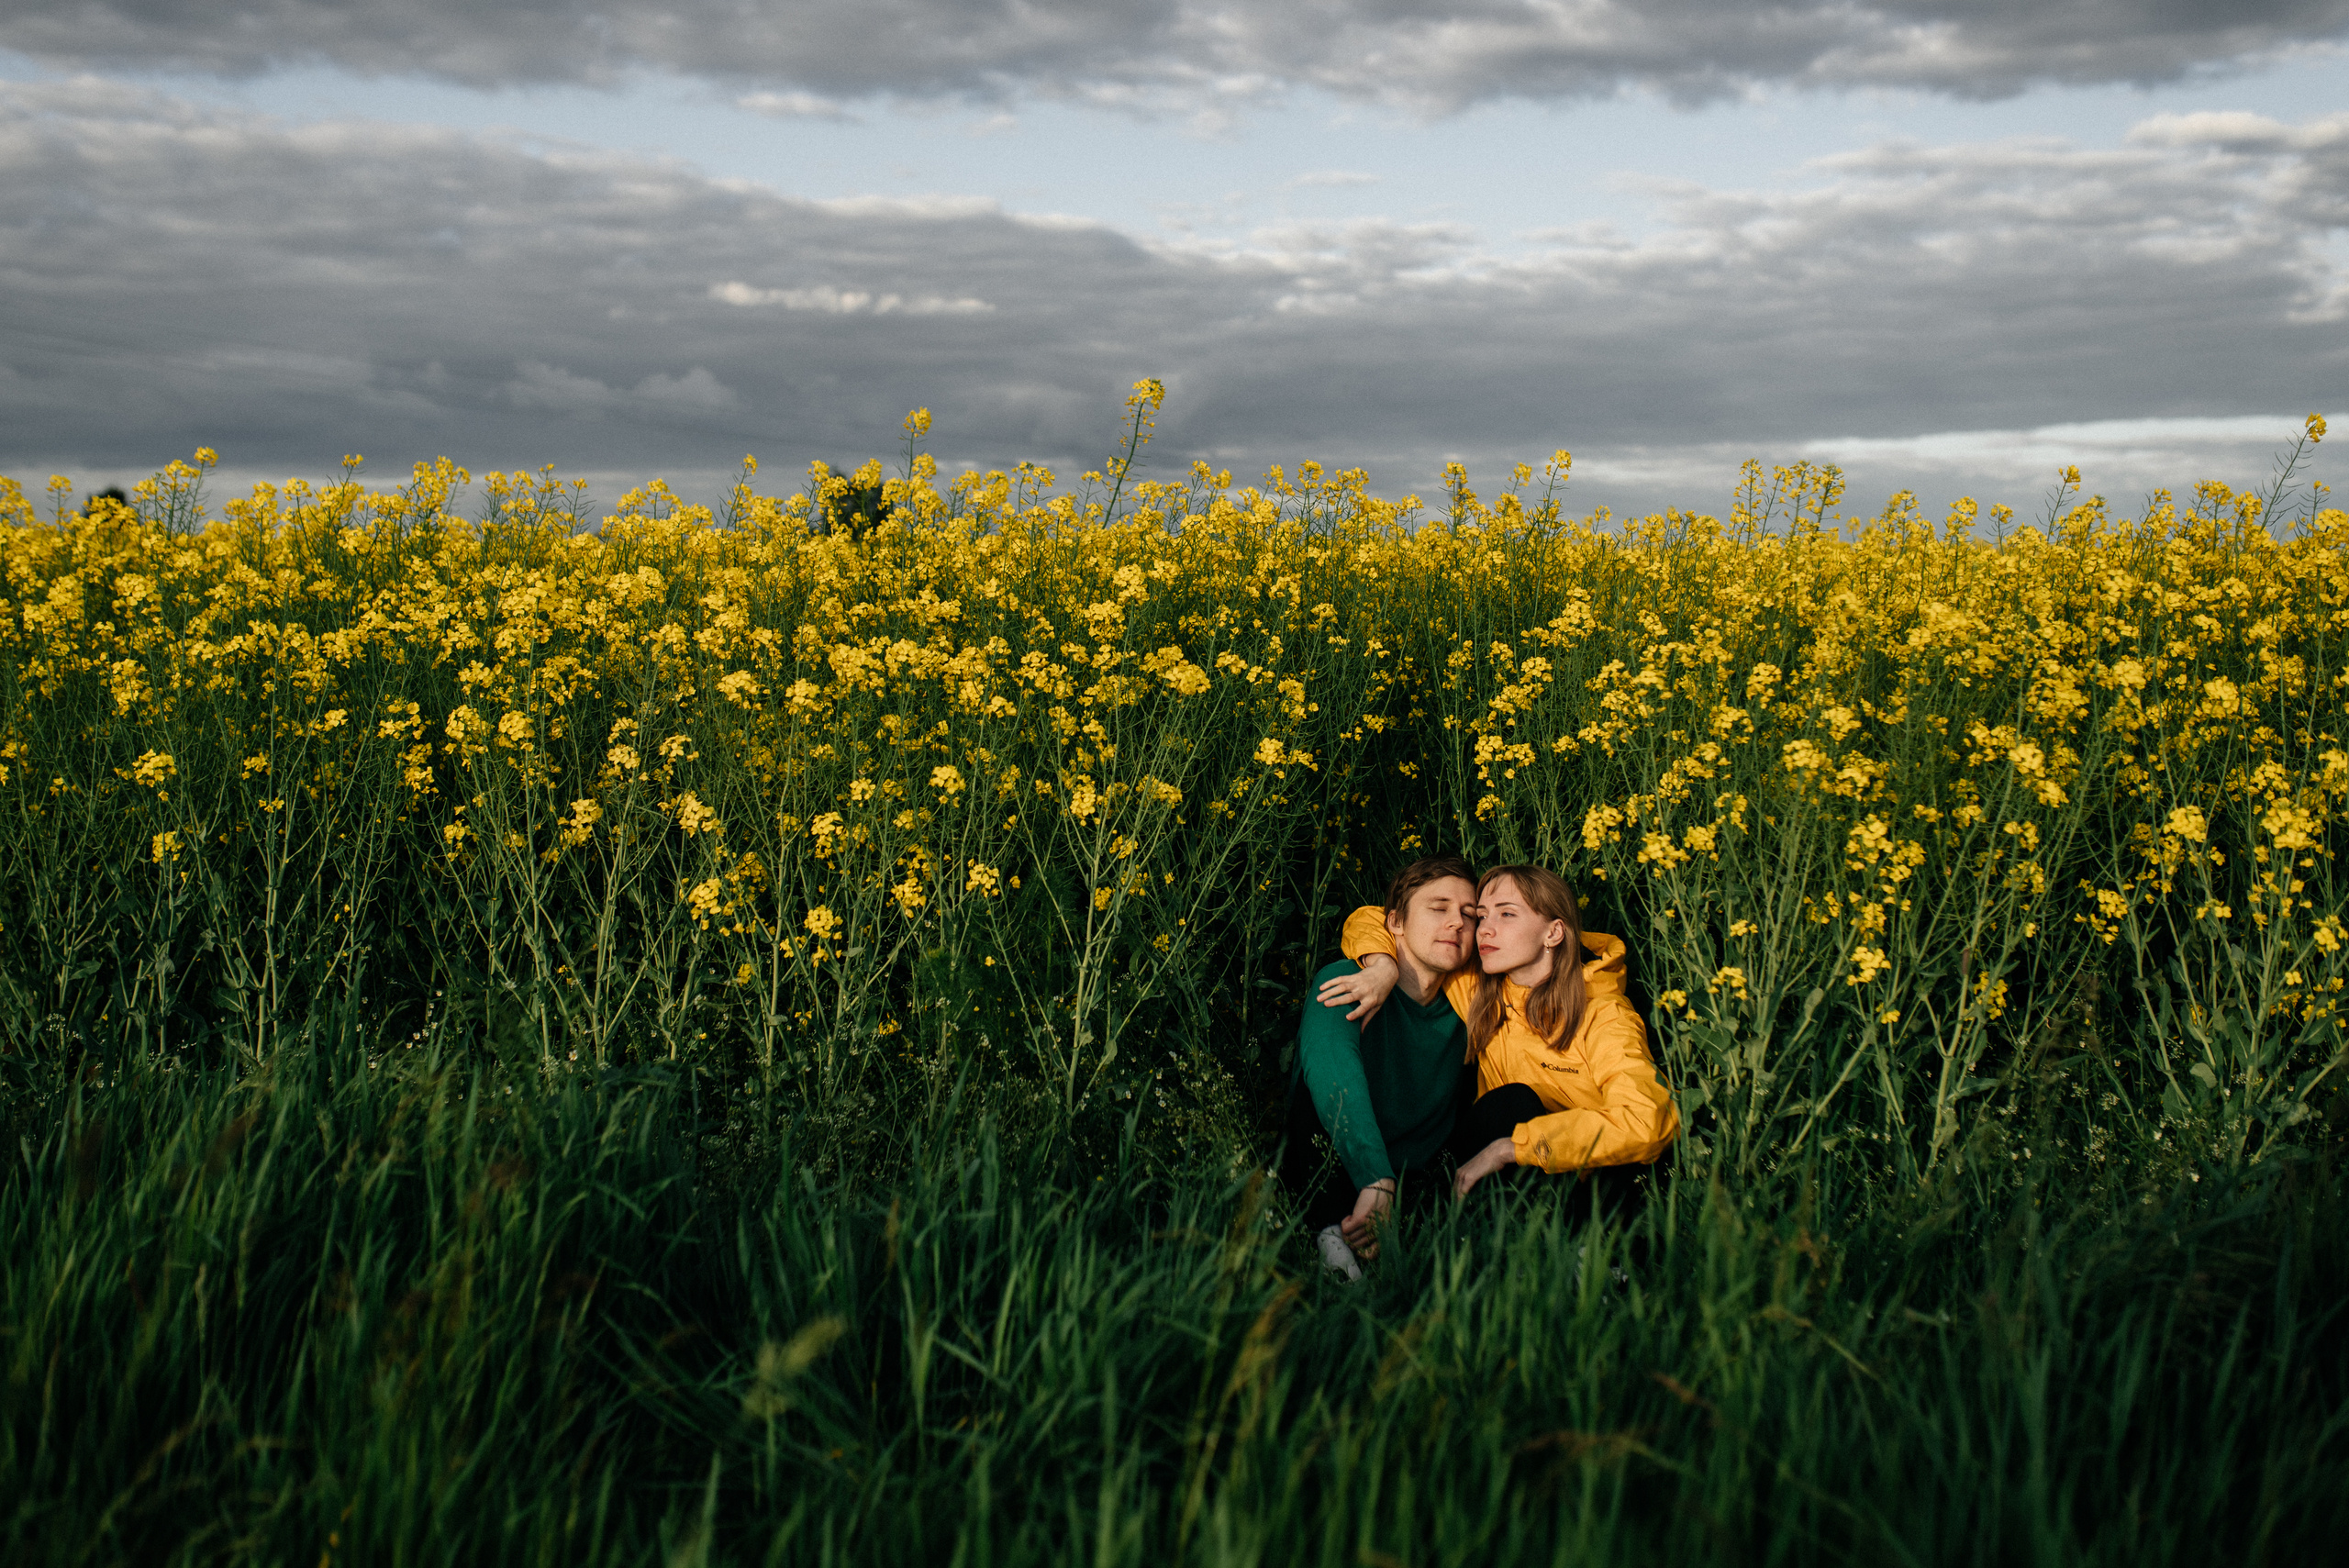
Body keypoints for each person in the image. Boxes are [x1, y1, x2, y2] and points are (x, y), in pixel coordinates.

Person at [1338, 863, 1678, 1222]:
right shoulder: (1477, 986)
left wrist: (1514, 1148)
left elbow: (1647, 1119)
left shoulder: (1604, 1013)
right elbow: (1374, 918)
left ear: (1554, 932)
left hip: (1576, 1175)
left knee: (1631, 1166)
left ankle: (1587, 1254)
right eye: (1482, 916)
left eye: (1507, 914)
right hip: (1501, 1169)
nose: (1485, 929)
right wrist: (1382, 967)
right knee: (1511, 1102)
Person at [1279, 854, 1478, 1280]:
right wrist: (1376, 1178)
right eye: (1439, 908)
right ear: (1395, 923)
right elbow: (1333, 1070)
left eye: (1469, 914)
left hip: (1422, 1176)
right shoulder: (1347, 979)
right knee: (1315, 1096)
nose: (1458, 923)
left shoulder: (1471, 1004)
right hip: (1343, 1165)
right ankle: (1332, 1247)